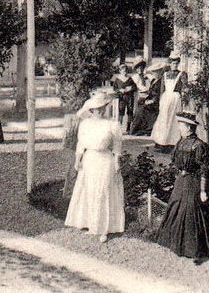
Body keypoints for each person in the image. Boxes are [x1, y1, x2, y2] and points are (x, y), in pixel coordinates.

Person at [64, 89, 126, 243]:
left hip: (105, 160)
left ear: (105, 108)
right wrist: (78, 160)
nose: (98, 111)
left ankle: (104, 228)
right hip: (89, 159)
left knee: (103, 190)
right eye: (95, 109)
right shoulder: (85, 124)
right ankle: (91, 224)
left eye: (101, 108)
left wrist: (117, 160)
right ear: (90, 110)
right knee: (90, 191)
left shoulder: (112, 125)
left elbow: (118, 145)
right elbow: (81, 144)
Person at [155, 111, 209, 263]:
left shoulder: (199, 146)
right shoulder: (181, 142)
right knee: (175, 206)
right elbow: (175, 159)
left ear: (188, 127)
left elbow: (204, 169)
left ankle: (193, 249)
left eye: (181, 125)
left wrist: (202, 190)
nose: (179, 128)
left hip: (193, 182)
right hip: (181, 181)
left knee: (191, 212)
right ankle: (175, 244)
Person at [150, 52, 187, 149]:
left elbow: (184, 88)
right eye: (173, 63)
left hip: (175, 99)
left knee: (173, 120)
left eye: (176, 63)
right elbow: (162, 89)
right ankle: (160, 141)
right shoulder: (165, 75)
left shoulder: (181, 74)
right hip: (166, 98)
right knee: (163, 119)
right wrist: (160, 102)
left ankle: (172, 142)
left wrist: (183, 99)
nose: (174, 65)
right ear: (170, 64)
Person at [128, 57, 155, 135]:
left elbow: (153, 86)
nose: (140, 69)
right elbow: (132, 87)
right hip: (139, 97)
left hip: (148, 97)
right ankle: (136, 130)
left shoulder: (148, 76)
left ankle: (147, 130)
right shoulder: (134, 77)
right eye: (138, 68)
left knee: (150, 113)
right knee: (138, 113)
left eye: (141, 67)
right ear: (136, 69)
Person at [110, 62, 136, 133]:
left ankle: (128, 128)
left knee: (130, 112)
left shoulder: (130, 79)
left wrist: (130, 88)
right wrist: (120, 90)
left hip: (129, 97)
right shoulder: (118, 79)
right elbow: (114, 88)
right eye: (123, 71)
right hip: (121, 98)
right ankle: (119, 128)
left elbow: (135, 87)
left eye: (126, 71)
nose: (125, 72)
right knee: (121, 112)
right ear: (120, 71)